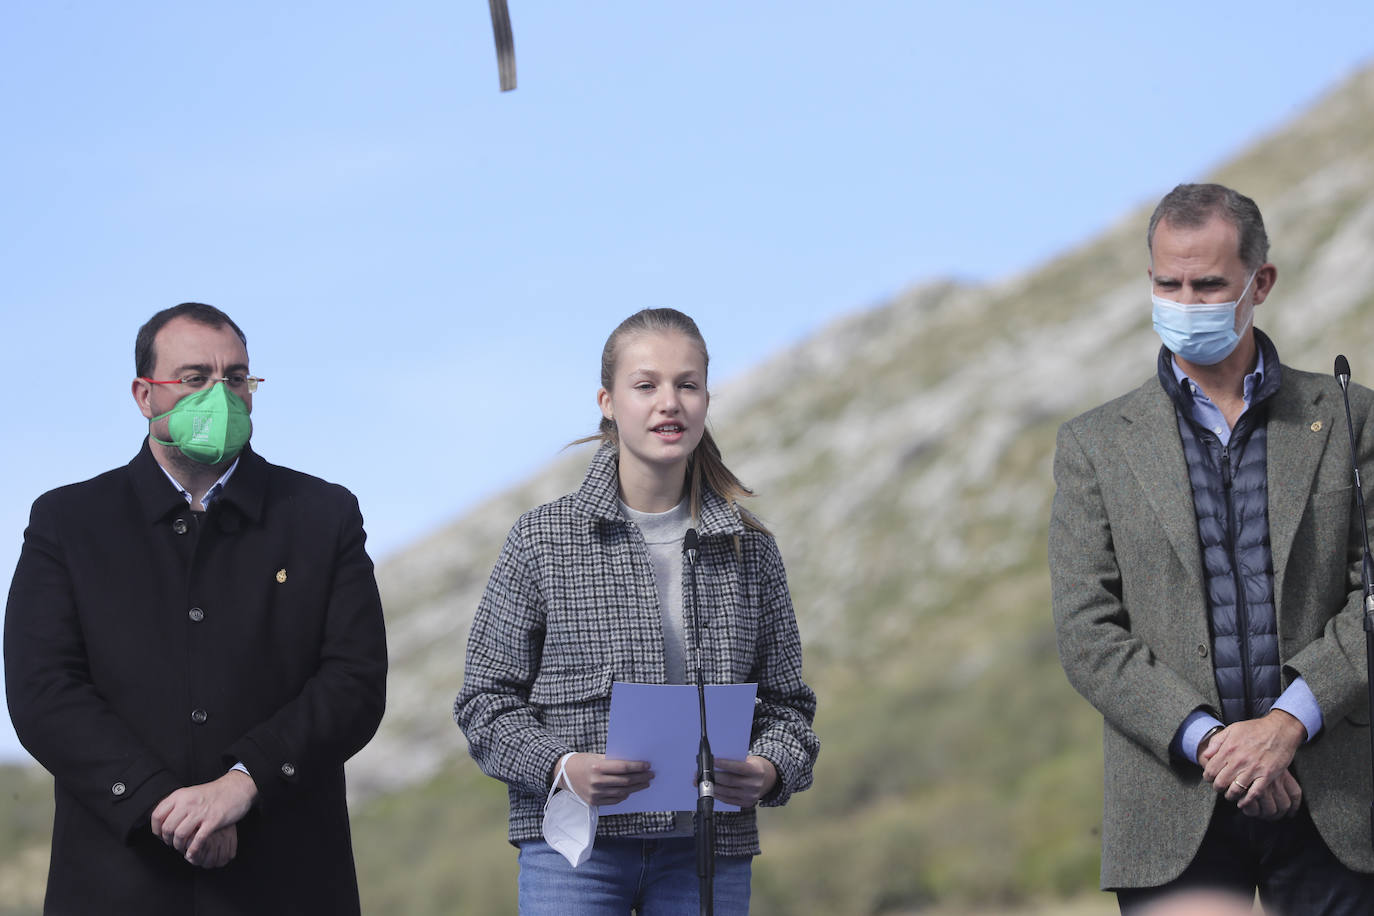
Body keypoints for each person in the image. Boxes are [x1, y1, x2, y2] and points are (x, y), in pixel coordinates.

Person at [1049, 183, 1374, 914]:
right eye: (1168, 283)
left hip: (1337, 801)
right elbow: (1085, 629)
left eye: (1208, 284)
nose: (1185, 301)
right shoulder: (1096, 444)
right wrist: (1212, 744)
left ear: (1260, 283)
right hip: (1171, 807)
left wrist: (1289, 724)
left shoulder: (1353, 416)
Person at [4, 303, 388, 915]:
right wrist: (163, 806)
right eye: (194, 378)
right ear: (143, 394)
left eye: (236, 378)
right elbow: (43, 690)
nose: (221, 395)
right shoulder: (68, 523)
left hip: (288, 882)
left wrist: (245, 783)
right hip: (115, 883)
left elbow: (354, 681)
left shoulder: (322, 516)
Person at [454, 307, 819, 914]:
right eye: (646, 385)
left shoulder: (750, 551)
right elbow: (483, 703)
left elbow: (790, 708)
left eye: (687, 385)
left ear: (707, 399)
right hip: (575, 852)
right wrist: (561, 766)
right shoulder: (543, 539)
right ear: (607, 401)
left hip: (710, 851)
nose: (668, 403)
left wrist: (771, 769)